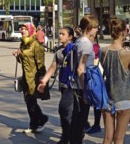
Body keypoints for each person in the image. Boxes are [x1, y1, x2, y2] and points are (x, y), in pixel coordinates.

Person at [100, 18, 130, 144]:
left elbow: (105, 69)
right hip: (124, 97)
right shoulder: (127, 54)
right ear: (123, 33)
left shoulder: (104, 51)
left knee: (107, 138)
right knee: (119, 139)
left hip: (108, 97)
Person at [38, 26, 75, 144]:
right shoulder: (59, 51)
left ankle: (67, 136)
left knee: (63, 109)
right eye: (60, 33)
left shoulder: (75, 49)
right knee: (68, 111)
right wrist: (44, 81)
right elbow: (53, 66)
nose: (60, 36)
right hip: (63, 85)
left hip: (73, 86)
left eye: (63, 34)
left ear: (70, 37)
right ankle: (73, 132)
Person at [12, 23, 48, 133]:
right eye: (21, 29)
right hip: (26, 78)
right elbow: (23, 61)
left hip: (34, 78)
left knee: (31, 101)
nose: (22, 31)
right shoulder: (23, 43)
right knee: (29, 102)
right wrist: (17, 56)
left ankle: (38, 121)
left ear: (31, 31)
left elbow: (41, 65)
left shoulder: (36, 45)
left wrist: (42, 80)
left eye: (25, 29)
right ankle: (38, 121)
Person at [70, 15, 99, 144]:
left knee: (77, 118)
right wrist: (85, 90)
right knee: (81, 119)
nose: (97, 30)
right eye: (96, 27)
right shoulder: (86, 44)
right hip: (83, 84)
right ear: (89, 28)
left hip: (76, 84)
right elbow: (81, 68)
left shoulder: (78, 41)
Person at [85, 33, 103, 134]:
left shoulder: (96, 48)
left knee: (96, 101)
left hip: (95, 77)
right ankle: (86, 123)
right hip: (90, 76)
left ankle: (96, 124)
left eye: (91, 37)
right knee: (88, 100)